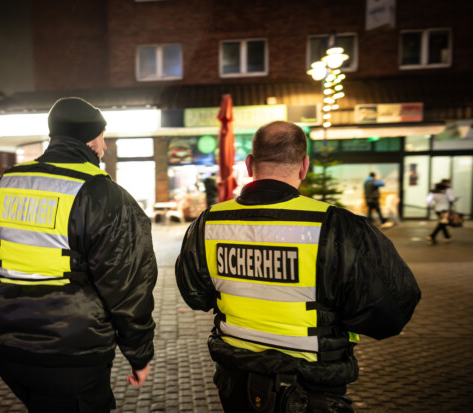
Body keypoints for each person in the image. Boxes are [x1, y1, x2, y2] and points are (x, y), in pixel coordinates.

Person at [175, 121, 420, 412]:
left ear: (250, 163)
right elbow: (390, 312)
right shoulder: (338, 226)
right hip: (312, 386)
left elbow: (195, 295)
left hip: (235, 379)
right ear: (304, 166)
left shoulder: (209, 221)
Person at [0, 97, 157, 412]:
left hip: (7, 348)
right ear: (91, 139)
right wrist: (139, 354)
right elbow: (128, 287)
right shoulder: (104, 196)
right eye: (102, 136)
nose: (105, 146)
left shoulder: (3, 187)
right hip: (72, 354)